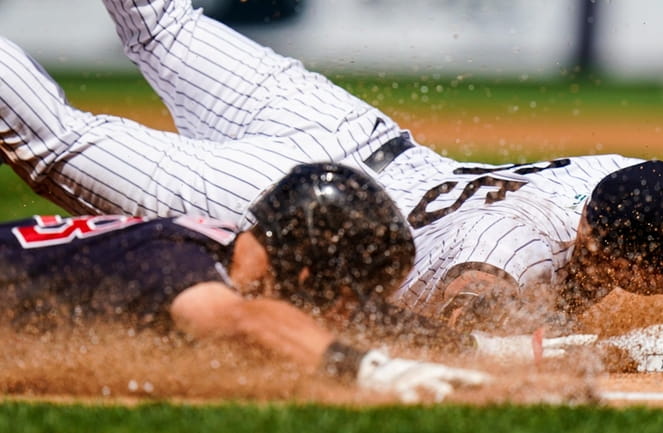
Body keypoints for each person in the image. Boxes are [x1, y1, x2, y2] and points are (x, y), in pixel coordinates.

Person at [1, 0, 663, 331]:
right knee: (55, 143)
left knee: (160, 23)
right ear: (629, 263)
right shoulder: (525, 248)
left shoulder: (618, 181)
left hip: (343, 131)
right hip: (294, 203)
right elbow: (477, 293)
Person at [0, 162, 489, 403]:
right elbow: (245, 319)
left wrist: (488, 348)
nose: (343, 313)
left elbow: (364, 317)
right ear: (306, 271)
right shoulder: (179, 263)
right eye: (343, 290)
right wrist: (372, 371)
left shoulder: (215, 253)